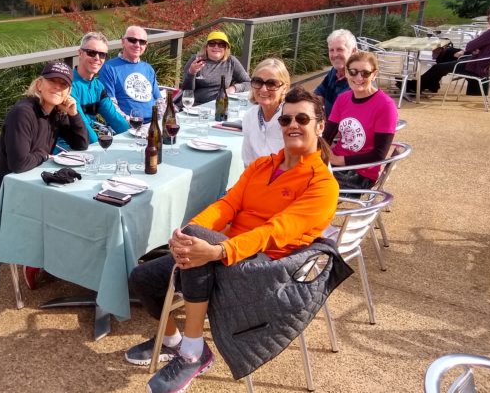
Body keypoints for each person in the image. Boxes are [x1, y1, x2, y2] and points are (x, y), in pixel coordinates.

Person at [126, 87, 338, 393]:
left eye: (302, 119)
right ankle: (172, 340)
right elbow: (226, 205)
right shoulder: (263, 165)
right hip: (225, 252)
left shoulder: (322, 184)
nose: (292, 125)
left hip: (266, 269)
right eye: (286, 119)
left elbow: (274, 231)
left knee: (196, 248)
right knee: (141, 277)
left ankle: (193, 352)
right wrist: (189, 232)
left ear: (319, 127)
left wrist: (217, 250)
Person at [0, 60, 89, 209]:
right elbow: (19, 164)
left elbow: (81, 144)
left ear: (68, 92)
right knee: (68, 209)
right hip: (5, 193)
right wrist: (45, 155)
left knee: (76, 205)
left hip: (35, 185)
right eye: (52, 81)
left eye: (63, 84)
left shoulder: (56, 112)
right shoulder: (23, 113)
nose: (57, 87)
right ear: (39, 84)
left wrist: (74, 114)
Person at [322, 51, 397, 189]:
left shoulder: (385, 105)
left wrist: (338, 160)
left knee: (308, 187)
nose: (358, 77)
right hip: (335, 165)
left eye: (365, 73)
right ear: (346, 72)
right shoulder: (343, 99)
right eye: (353, 72)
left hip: (362, 172)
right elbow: (327, 136)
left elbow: (378, 155)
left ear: (374, 74)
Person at [408, 5, 490, 95]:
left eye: (489, 18)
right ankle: (431, 85)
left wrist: (473, 49)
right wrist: (476, 50)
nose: (488, 21)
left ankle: (414, 87)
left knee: (438, 67)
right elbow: (488, 48)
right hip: (484, 64)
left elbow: (471, 44)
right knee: (448, 52)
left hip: (475, 66)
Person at [70, 32, 130, 144]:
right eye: (91, 53)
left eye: (102, 55)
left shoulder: (98, 86)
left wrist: (132, 138)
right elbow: (82, 124)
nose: (97, 58)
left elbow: (115, 118)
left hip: (89, 141)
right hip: (68, 146)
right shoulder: (67, 85)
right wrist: (97, 146)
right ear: (80, 53)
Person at [99, 25, 162, 121]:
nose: (137, 45)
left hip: (154, 122)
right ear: (123, 41)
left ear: (146, 45)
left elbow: (159, 101)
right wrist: (129, 123)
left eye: (142, 42)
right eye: (132, 40)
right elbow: (110, 106)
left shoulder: (148, 68)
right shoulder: (109, 68)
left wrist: (163, 121)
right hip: (130, 124)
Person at [240, 58, 289, 168]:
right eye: (258, 82)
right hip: (257, 176)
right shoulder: (250, 116)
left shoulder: (291, 119)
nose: (263, 89)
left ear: (284, 88)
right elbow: (248, 163)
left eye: (271, 84)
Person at [180, 31, 249, 105]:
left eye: (221, 44)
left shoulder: (231, 61)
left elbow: (249, 83)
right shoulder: (196, 60)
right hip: (196, 105)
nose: (216, 47)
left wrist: (233, 88)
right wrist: (191, 73)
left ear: (226, 48)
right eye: (212, 43)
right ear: (206, 47)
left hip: (221, 104)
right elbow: (186, 90)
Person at [314, 29, 357, 117]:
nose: (335, 55)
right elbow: (319, 93)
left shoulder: (359, 81)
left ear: (353, 51)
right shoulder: (334, 71)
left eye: (340, 49)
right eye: (331, 50)